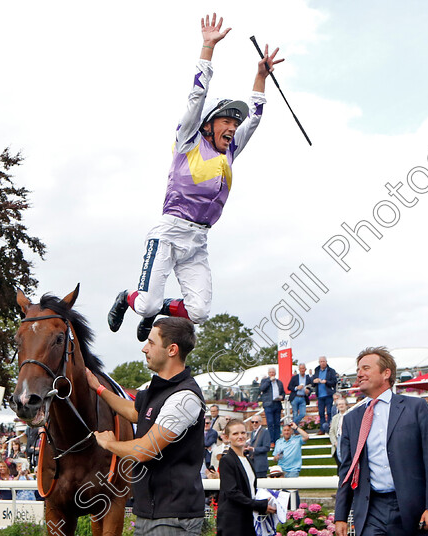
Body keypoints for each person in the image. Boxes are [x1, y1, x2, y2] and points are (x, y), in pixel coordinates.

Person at [107, 12, 284, 342]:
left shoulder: (229, 151)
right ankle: (127, 297)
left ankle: (159, 308)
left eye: (234, 124)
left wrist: (260, 76)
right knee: (145, 305)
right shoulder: (189, 138)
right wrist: (208, 47)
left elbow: (255, 118)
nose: (232, 128)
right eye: (226, 122)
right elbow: (196, 96)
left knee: (200, 312)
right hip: (169, 232)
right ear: (207, 124)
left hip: (199, 241)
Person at [88, 317, 205, 536]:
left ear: (172, 349)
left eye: (151, 342)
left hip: (172, 518)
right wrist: (99, 389)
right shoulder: (158, 387)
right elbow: (135, 412)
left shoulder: (184, 398)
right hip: (151, 514)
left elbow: (145, 450)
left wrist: (110, 444)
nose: (144, 348)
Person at [335, 347, 428, 536]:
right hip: (371, 509)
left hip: (411, 509)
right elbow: (347, 469)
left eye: (366, 368)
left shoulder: (415, 407)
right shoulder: (352, 419)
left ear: (386, 373)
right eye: (358, 369)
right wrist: (340, 516)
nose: (359, 374)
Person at [216, 419, 276, 536]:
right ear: (227, 437)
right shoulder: (226, 460)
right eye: (235, 433)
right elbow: (232, 492)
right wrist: (259, 505)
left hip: (248, 517)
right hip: (233, 521)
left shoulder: (248, 459)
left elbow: (250, 489)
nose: (240, 436)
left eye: (243, 433)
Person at [312, 356, 338, 433]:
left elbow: (334, 382)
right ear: (319, 362)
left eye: (324, 361)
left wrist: (326, 382)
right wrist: (314, 381)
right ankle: (322, 429)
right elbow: (312, 382)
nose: (322, 363)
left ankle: (330, 428)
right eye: (321, 361)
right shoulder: (317, 370)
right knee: (321, 413)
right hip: (320, 395)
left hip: (328, 394)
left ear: (326, 362)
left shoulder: (331, 371)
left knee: (329, 412)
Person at [259, 367, 285, 444]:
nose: (272, 374)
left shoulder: (279, 382)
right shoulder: (265, 381)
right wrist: (269, 381)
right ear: (268, 373)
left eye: (273, 372)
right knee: (270, 423)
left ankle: (277, 440)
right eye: (270, 372)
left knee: (277, 423)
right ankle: (271, 441)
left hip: (277, 404)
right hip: (268, 405)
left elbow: (283, 392)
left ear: (275, 373)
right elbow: (262, 389)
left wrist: (282, 397)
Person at [329, 397, 349, 466]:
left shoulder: (351, 415)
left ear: (346, 405)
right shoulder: (335, 418)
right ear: (337, 406)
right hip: (338, 441)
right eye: (339, 404)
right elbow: (331, 432)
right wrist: (335, 442)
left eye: (343, 404)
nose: (341, 406)